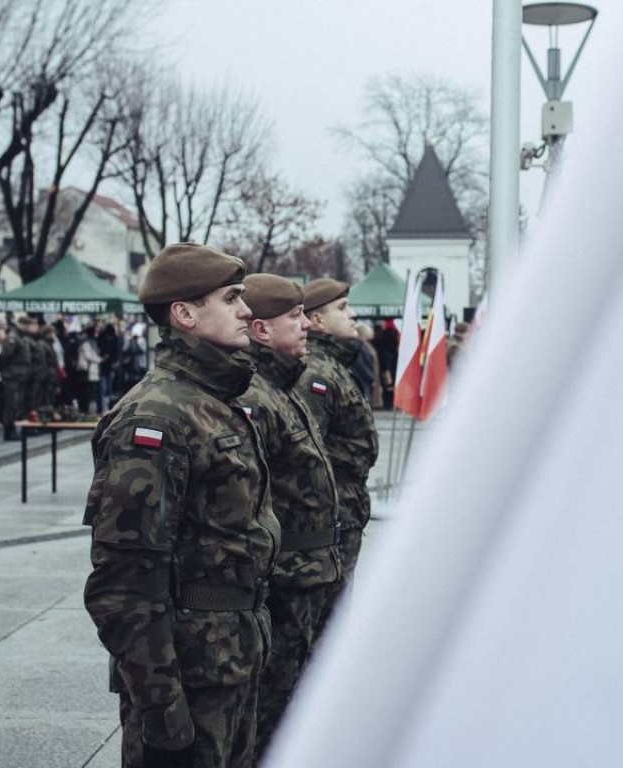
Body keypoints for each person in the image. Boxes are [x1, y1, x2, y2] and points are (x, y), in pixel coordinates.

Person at [82, 243, 280, 768]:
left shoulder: (216, 402)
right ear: (185, 314)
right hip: (190, 681)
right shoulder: (157, 418)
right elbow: (124, 587)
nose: (246, 310)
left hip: (232, 664)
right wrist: (163, 712)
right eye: (231, 298)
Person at [234, 274, 344, 759]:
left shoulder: (284, 386)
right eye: (294, 316)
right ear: (260, 330)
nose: (306, 325)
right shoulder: (257, 397)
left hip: (310, 572)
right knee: (271, 714)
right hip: (286, 579)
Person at [299, 279, 379, 585]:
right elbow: (310, 452)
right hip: (331, 515)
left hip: (345, 511)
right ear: (317, 320)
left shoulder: (333, 365)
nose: (353, 315)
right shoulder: (315, 372)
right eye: (342, 308)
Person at [0, 314, 35, 440]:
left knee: (17, 404)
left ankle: (13, 429)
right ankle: (9, 431)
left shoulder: (22, 337)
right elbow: (4, 356)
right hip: (12, 376)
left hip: (20, 376)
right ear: (22, 325)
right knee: (11, 404)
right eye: (27, 325)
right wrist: (4, 370)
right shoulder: (13, 337)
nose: (29, 327)